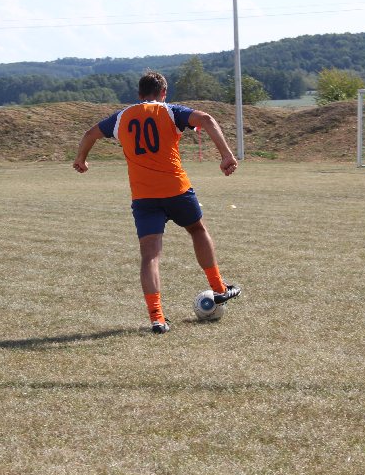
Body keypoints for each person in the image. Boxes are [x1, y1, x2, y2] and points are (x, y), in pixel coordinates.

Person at [73, 70, 240, 334]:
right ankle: (219, 288)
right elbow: (206, 119)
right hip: (177, 189)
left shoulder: (121, 117)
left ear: (139, 94)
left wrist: (81, 159)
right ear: (163, 93)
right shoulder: (170, 111)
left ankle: (157, 318)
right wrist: (226, 155)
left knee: (150, 255)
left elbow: (90, 133)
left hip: (144, 196)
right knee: (197, 230)